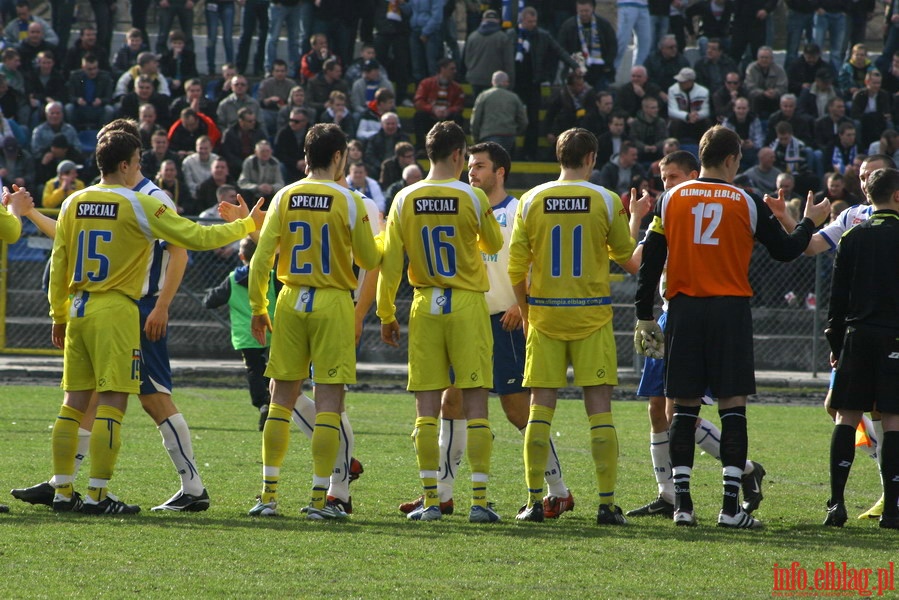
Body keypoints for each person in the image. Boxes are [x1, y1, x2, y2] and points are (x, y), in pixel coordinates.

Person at [37, 124, 263, 514]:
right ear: (125, 165)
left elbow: (59, 264)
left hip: (78, 308)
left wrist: (58, 314)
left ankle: (62, 492)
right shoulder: (137, 202)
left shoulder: (74, 201)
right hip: (118, 309)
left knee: (73, 403)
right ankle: (96, 495)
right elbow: (194, 237)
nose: (141, 168)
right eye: (138, 161)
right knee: (111, 402)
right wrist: (246, 226)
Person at [634, 125, 831, 528]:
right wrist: (808, 222)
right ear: (731, 160)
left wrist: (643, 312)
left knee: (683, 410)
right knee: (733, 408)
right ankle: (729, 509)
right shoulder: (747, 199)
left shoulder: (670, 198)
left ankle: (683, 507)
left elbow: (651, 259)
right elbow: (788, 251)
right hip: (729, 311)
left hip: (684, 309)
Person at [246, 123, 381, 520]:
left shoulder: (285, 195)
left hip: (289, 301)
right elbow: (369, 260)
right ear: (339, 157)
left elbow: (261, 258)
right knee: (328, 404)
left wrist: (258, 307)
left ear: (305, 157)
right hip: (333, 302)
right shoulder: (350, 200)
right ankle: (321, 499)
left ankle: (268, 496)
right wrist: (386, 239)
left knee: (280, 401)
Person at [626, 150, 767, 520]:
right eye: (663, 179)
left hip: (687, 312)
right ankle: (671, 494)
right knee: (661, 408)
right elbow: (636, 261)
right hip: (675, 313)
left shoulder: (687, 207)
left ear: (693, 173)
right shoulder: (671, 209)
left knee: (679, 408)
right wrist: (636, 220)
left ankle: (738, 472)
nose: (667, 185)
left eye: (673, 177)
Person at [377, 120, 503, 523]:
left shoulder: (404, 197)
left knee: (426, 410)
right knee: (477, 402)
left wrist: (385, 312)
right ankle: (479, 501)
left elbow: (391, 263)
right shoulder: (471, 196)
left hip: (424, 303)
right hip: (466, 303)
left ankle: (431, 500)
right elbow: (494, 244)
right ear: (458, 155)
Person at [509, 127, 635, 525]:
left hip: (545, 316)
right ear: (592, 157)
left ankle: (533, 501)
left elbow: (516, 268)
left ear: (558, 156)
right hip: (591, 315)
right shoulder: (605, 199)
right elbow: (627, 257)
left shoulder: (530, 200)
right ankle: (606, 504)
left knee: (539, 411)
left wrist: (527, 313)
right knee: (599, 411)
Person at [768, 153, 897, 520]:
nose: (865, 181)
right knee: (842, 407)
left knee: (873, 411)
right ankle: (886, 487)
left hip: (862, 329)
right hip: (867, 331)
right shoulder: (852, 217)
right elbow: (810, 246)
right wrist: (789, 219)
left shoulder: (871, 226)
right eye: (861, 175)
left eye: (872, 174)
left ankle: (887, 494)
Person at [823, 166, 899, 530]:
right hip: (894, 339)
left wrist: (836, 344)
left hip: (856, 336)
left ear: (868, 196)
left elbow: (836, 302)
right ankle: (894, 511)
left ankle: (836, 504)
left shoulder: (852, 237)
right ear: (897, 196)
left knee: (846, 415)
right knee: (894, 419)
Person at [203, 236, 277, 430]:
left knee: (254, 369)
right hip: (273, 329)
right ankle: (273, 401)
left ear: (242, 255)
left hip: (246, 334)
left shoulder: (233, 280)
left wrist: (211, 293)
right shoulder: (272, 276)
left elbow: (210, 301)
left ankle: (262, 403)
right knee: (273, 369)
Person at [558, 0, 617, 90]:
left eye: (586, 11)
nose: (584, 14)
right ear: (577, 10)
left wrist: (608, 64)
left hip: (600, 69)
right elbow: (561, 48)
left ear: (592, 9)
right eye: (581, 11)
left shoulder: (603, 24)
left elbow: (612, 45)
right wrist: (573, 65)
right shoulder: (568, 26)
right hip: (577, 68)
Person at [470, 71, 527, 158]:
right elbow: (523, 121)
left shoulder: (483, 96)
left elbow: (476, 119)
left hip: (487, 135)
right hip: (509, 136)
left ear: (493, 82)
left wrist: (476, 137)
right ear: (507, 82)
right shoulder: (514, 97)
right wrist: (515, 131)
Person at [463, 9, 514, 97]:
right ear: (498, 21)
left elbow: (467, 60)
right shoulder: (503, 38)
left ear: (482, 20)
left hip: (475, 79)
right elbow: (508, 63)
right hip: (496, 81)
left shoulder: (472, 37)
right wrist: (510, 82)